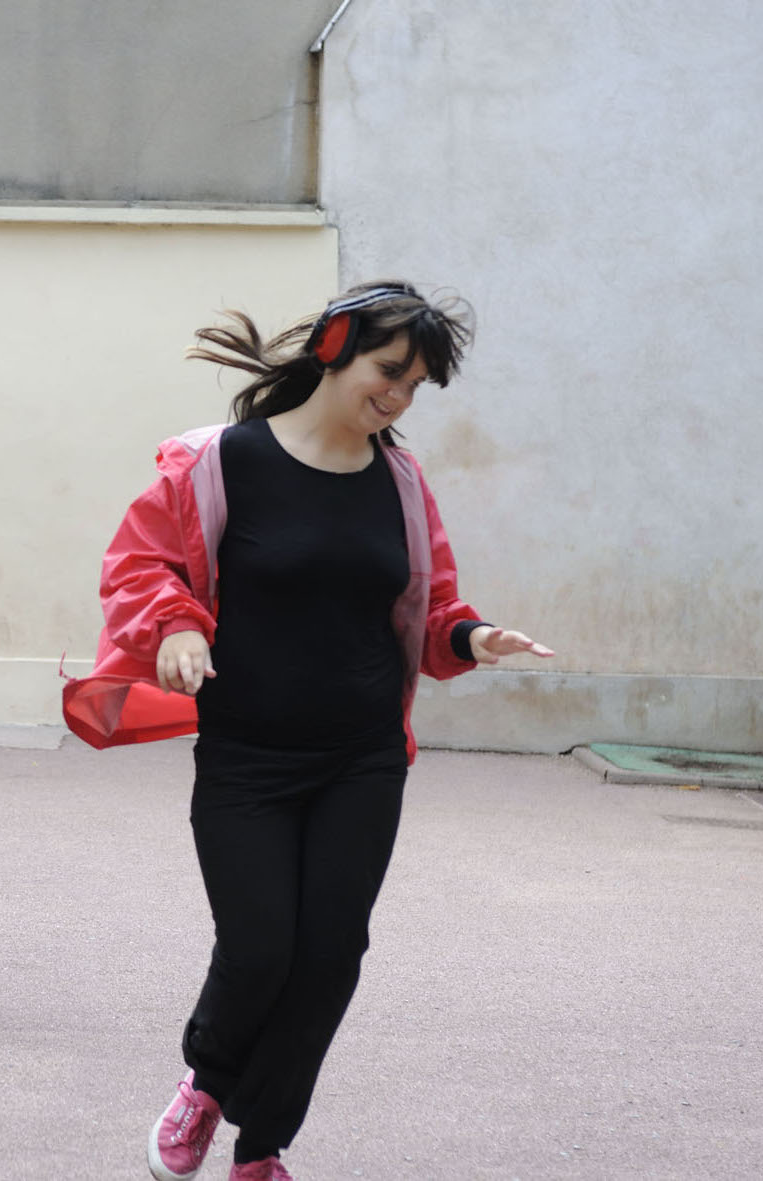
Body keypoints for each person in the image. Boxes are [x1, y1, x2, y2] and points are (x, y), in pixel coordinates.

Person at [66, 283, 554, 1181]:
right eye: (389, 371)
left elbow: (431, 601)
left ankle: (261, 1148)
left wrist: (474, 636)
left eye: (418, 384)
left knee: (331, 955)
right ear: (334, 346)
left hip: (363, 756)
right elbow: (140, 566)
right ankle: (207, 1082)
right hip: (248, 752)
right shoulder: (218, 464)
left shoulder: (401, 481)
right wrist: (176, 624)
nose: (401, 396)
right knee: (260, 946)